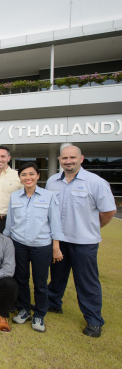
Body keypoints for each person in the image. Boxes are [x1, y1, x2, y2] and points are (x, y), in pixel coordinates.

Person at [46, 145, 116, 338]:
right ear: (59, 160)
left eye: (72, 158)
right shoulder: (52, 181)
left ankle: (93, 320)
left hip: (84, 242)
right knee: (57, 276)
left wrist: (91, 228)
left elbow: (109, 212)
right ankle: (53, 304)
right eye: (65, 158)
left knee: (86, 281)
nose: (68, 161)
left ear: (81, 158)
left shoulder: (96, 182)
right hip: (58, 241)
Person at [4, 162, 64, 333]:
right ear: (20, 177)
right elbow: (10, 223)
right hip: (19, 244)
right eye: (24, 174)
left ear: (38, 176)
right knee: (21, 279)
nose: (27, 178)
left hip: (41, 246)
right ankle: (24, 309)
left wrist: (56, 246)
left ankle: (39, 313)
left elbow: (55, 223)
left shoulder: (49, 196)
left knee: (40, 282)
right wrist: (8, 243)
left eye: (31, 174)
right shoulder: (15, 197)